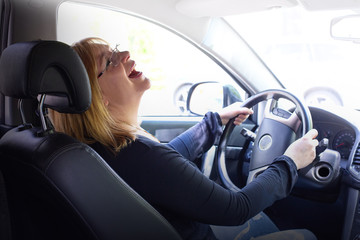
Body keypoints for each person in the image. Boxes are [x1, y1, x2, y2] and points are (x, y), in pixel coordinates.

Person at [50, 37, 319, 240]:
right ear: (100, 99)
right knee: (307, 236)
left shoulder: (102, 149)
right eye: (110, 61)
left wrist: (215, 122)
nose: (126, 55)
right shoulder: (140, 155)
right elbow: (237, 208)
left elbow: (167, 160)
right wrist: (291, 162)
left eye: (116, 49)